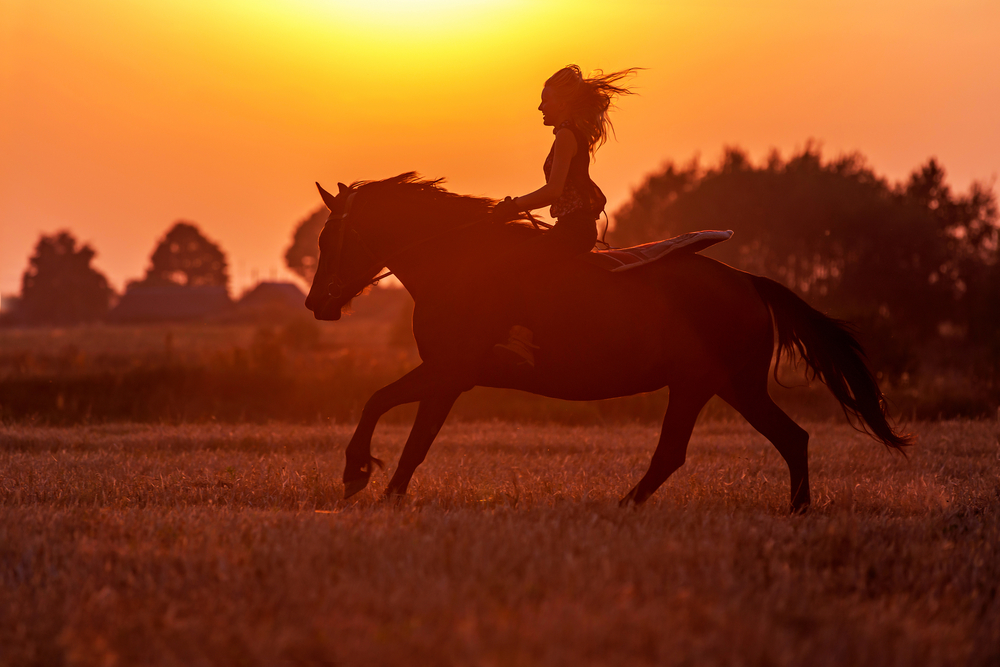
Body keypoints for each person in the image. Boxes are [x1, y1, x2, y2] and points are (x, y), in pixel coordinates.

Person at [491, 64, 639, 366]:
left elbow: (552, 192)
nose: (540, 107)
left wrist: (513, 206)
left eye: (545, 101)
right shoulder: (569, 135)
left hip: (573, 230)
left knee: (510, 262)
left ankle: (523, 340)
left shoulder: (565, 137)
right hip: (571, 227)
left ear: (563, 104)